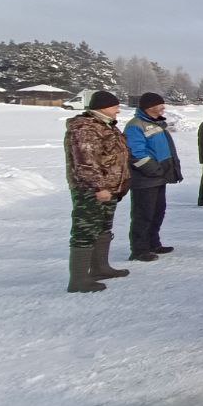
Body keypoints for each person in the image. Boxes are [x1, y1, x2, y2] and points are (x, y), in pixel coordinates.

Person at [63, 90, 131, 293]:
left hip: (109, 189)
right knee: (85, 231)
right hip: (91, 190)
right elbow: (86, 160)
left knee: (103, 228)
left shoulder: (106, 126)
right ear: (103, 106)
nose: (118, 109)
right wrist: (98, 186)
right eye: (115, 106)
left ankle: (100, 268)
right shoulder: (85, 128)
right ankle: (78, 279)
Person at [124, 92, 183, 261]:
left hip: (158, 177)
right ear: (150, 107)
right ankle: (139, 249)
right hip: (145, 178)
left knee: (158, 211)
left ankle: (153, 243)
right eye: (160, 105)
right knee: (143, 214)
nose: (164, 107)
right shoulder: (136, 125)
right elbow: (136, 152)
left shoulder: (155, 123)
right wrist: (154, 170)